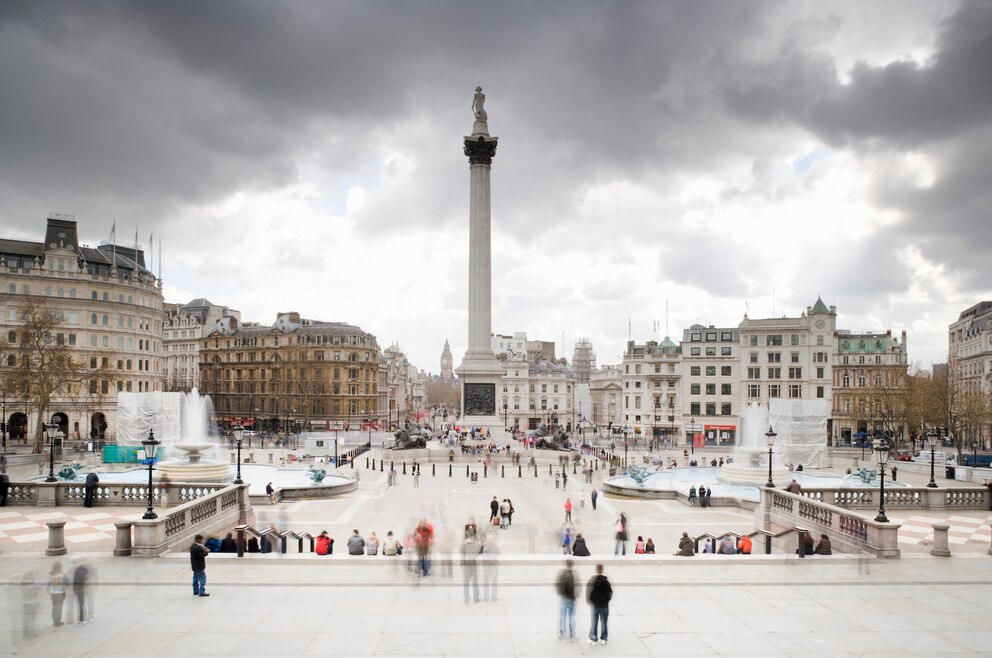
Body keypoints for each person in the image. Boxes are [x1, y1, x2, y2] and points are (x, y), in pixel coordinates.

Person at [586, 564, 612, 645]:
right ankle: (604, 639)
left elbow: (588, 592)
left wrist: (589, 600)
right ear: (602, 570)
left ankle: (593, 639)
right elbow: (610, 593)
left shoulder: (592, 580)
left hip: (595, 605)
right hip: (604, 605)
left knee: (594, 622)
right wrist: (607, 600)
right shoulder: (606, 582)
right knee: (604, 622)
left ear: (596, 570)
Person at [555, 559, 577, 640]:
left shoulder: (562, 573)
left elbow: (557, 584)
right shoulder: (574, 574)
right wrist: (576, 595)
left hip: (564, 598)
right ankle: (571, 634)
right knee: (571, 616)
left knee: (563, 616)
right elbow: (577, 587)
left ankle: (561, 633)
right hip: (571, 598)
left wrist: (560, 593)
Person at [461, 535, 480, 603]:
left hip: (471, 566)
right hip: (469, 566)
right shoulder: (466, 545)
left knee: (471, 583)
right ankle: (470, 598)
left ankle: (473, 598)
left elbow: (478, 552)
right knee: (469, 583)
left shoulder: (474, 545)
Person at [49, 562, 67, 627]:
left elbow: (49, 583)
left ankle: (54, 621)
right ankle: (58, 622)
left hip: (53, 593)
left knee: (54, 607)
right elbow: (66, 581)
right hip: (60, 593)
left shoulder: (50, 574)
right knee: (59, 607)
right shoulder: (62, 574)